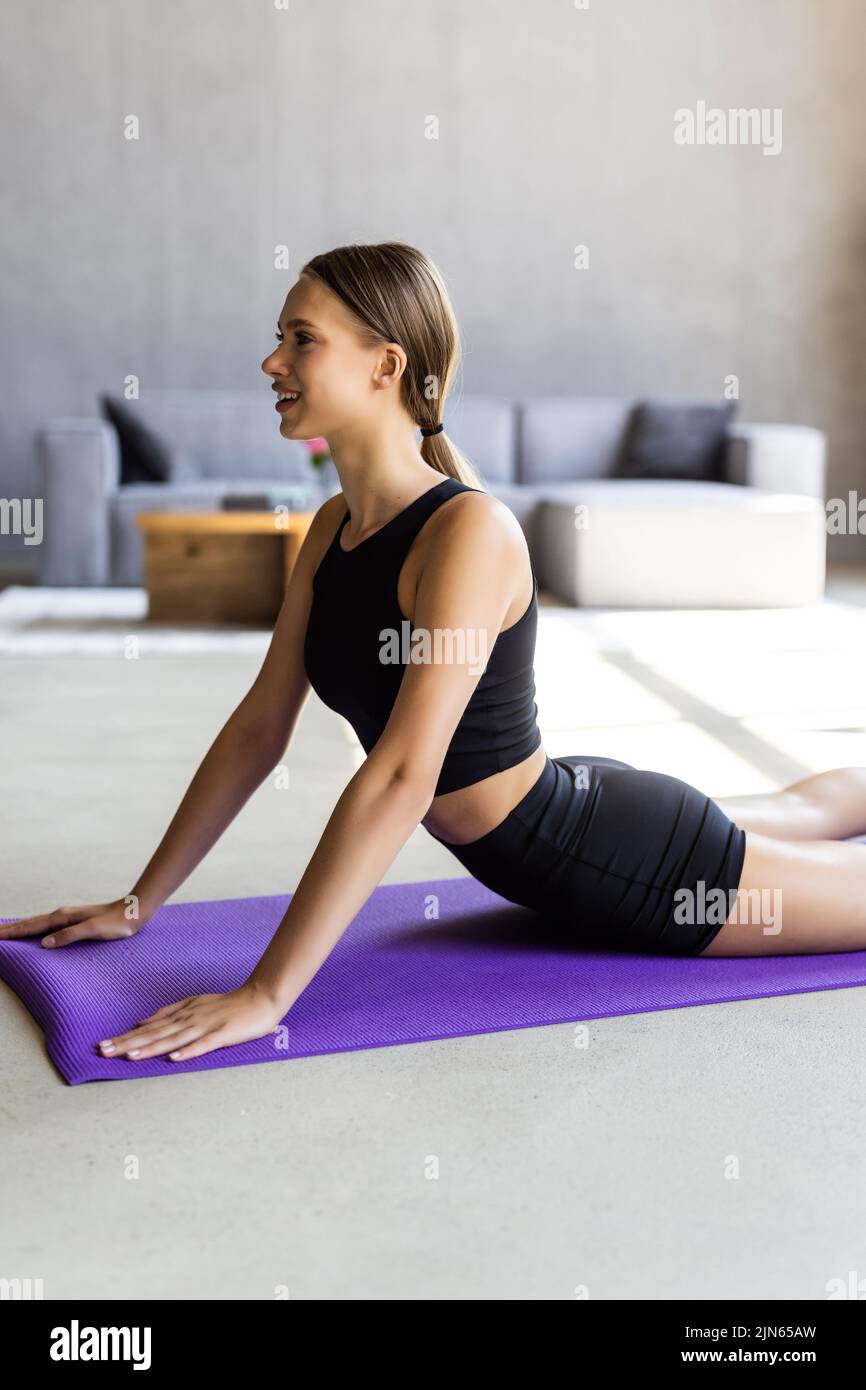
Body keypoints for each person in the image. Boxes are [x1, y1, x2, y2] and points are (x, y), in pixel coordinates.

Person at [4, 241, 866, 1066]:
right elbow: (260, 726)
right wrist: (137, 903)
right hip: (584, 808)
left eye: (301, 340)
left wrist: (265, 994)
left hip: (630, 863)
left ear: (385, 366)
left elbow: (400, 776)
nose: (272, 362)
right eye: (279, 338)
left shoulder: (467, 534)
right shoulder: (335, 527)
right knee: (800, 816)